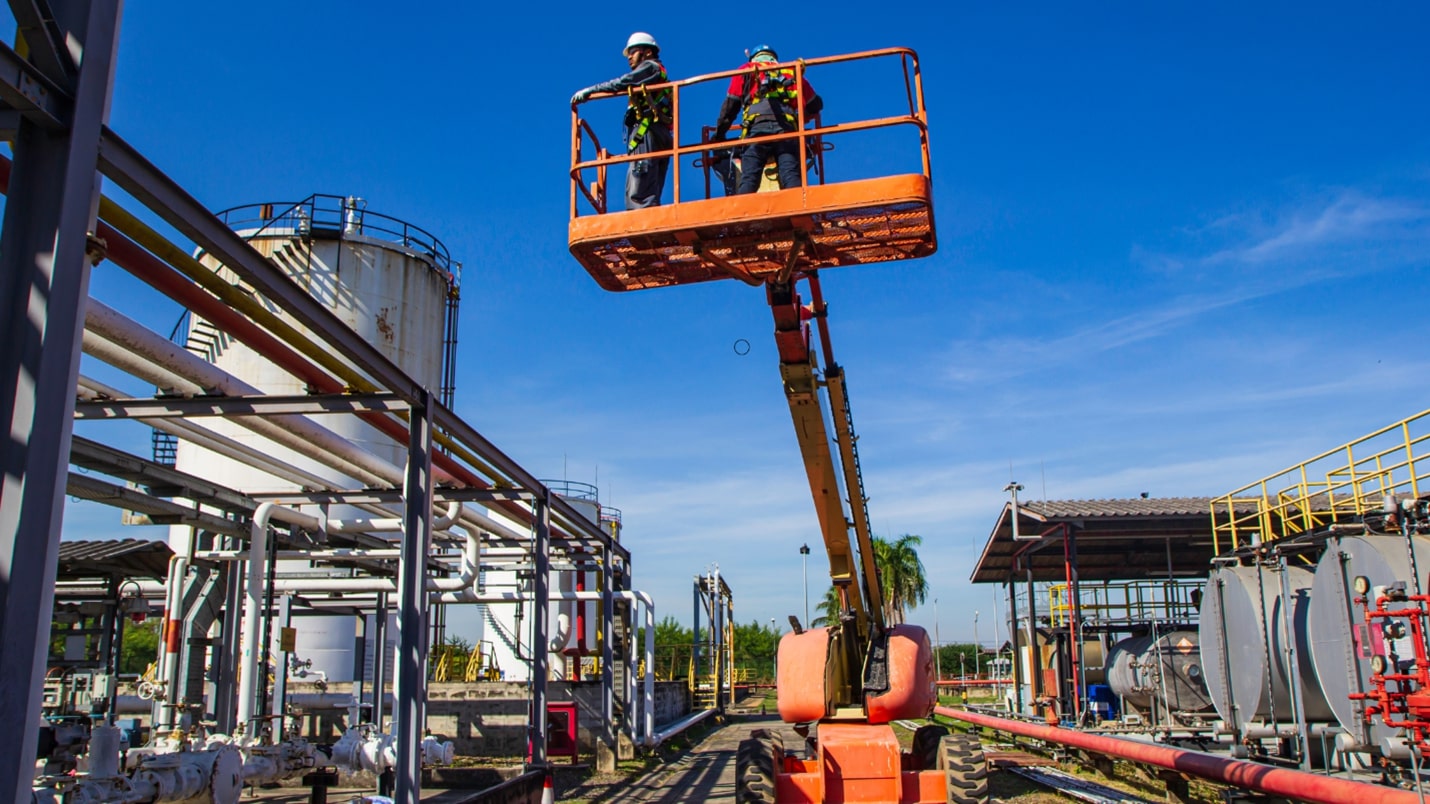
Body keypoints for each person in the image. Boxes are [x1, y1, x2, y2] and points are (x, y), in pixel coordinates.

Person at [570, 32, 672, 210]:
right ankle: (646, 211)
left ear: (648, 52)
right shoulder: (657, 72)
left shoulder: (650, 67)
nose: (629, 57)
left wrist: (591, 91)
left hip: (647, 131)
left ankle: (640, 216)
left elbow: (624, 81)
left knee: (640, 181)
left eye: (633, 52)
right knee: (649, 181)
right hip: (658, 132)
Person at [711, 45, 824, 194]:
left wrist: (719, 134)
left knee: (749, 178)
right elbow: (815, 105)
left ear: (754, 58)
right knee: (790, 175)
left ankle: (745, 212)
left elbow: (730, 106)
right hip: (787, 132)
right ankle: (799, 209)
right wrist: (801, 118)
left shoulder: (747, 69)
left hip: (757, 130)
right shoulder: (792, 72)